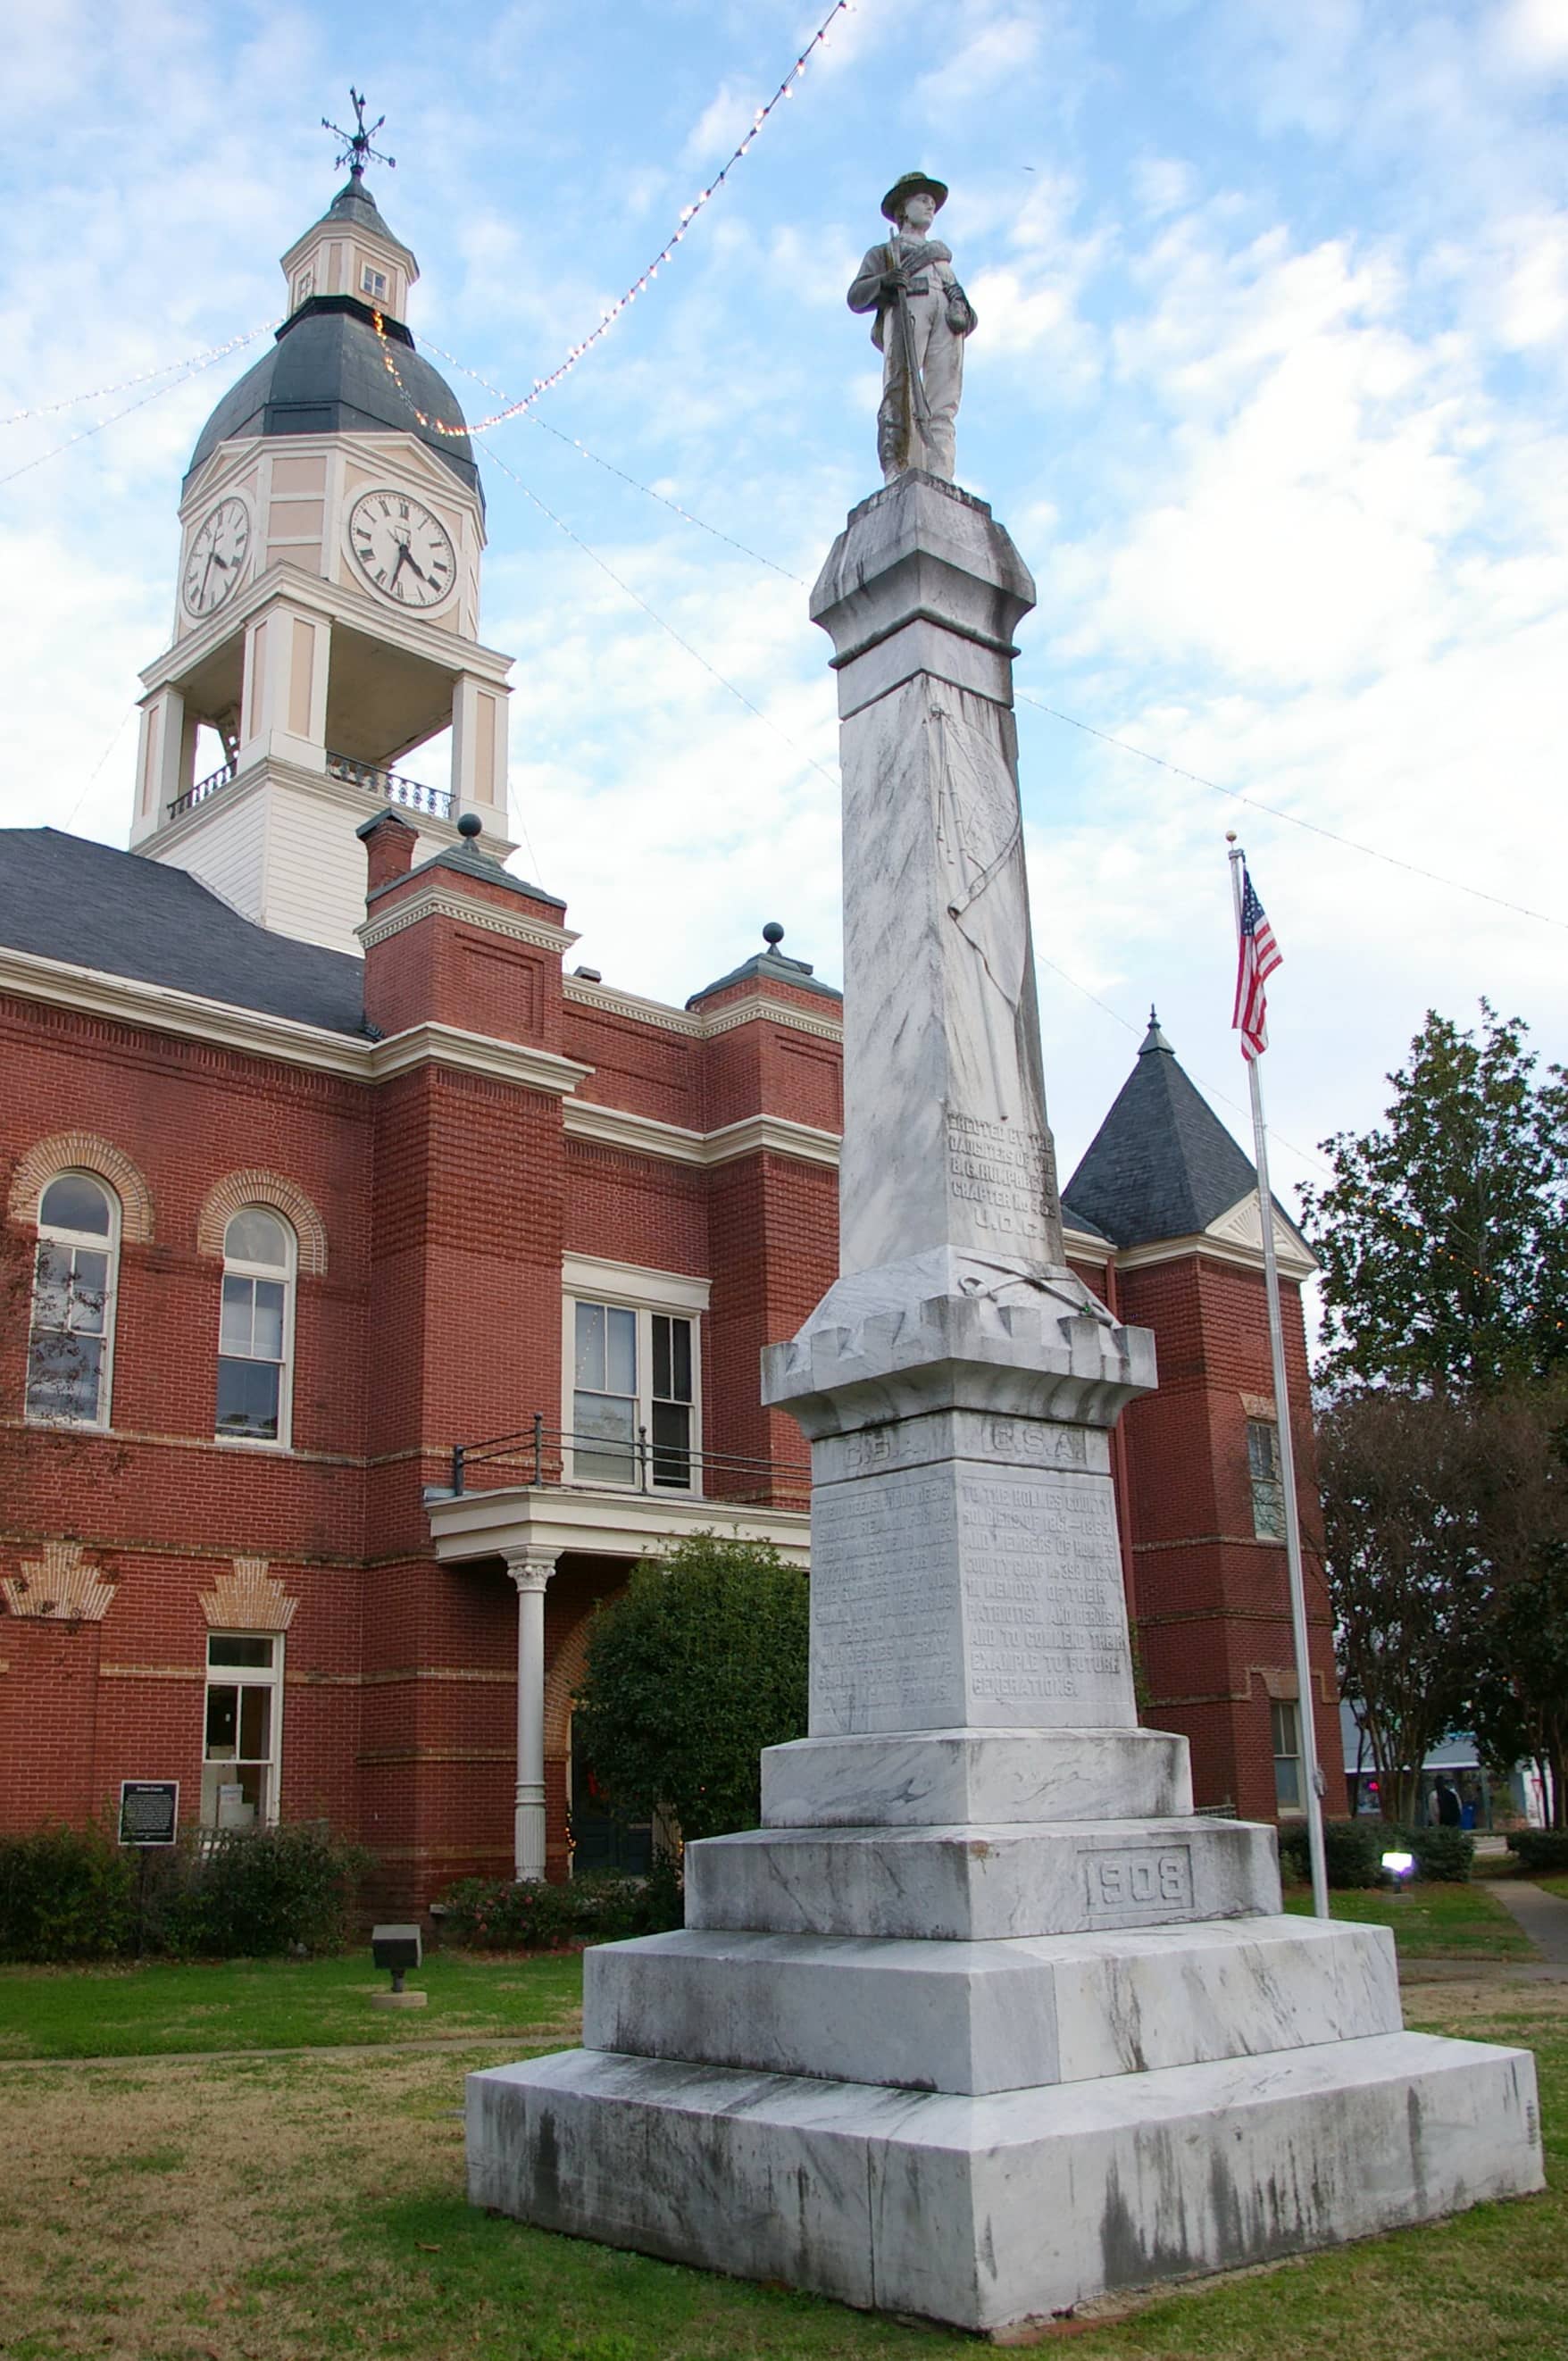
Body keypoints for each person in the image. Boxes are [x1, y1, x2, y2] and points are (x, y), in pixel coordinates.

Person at [848, 170, 977, 483]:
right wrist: (885, 282)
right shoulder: (885, 253)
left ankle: (940, 473)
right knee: (901, 391)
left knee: (943, 403)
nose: (930, 205)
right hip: (908, 311)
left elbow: (969, 316)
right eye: (922, 199)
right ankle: (899, 467)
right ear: (902, 209)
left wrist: (964, 310)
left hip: (947, 322)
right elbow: (856, 296)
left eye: (932, 201)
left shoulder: (943, 261)